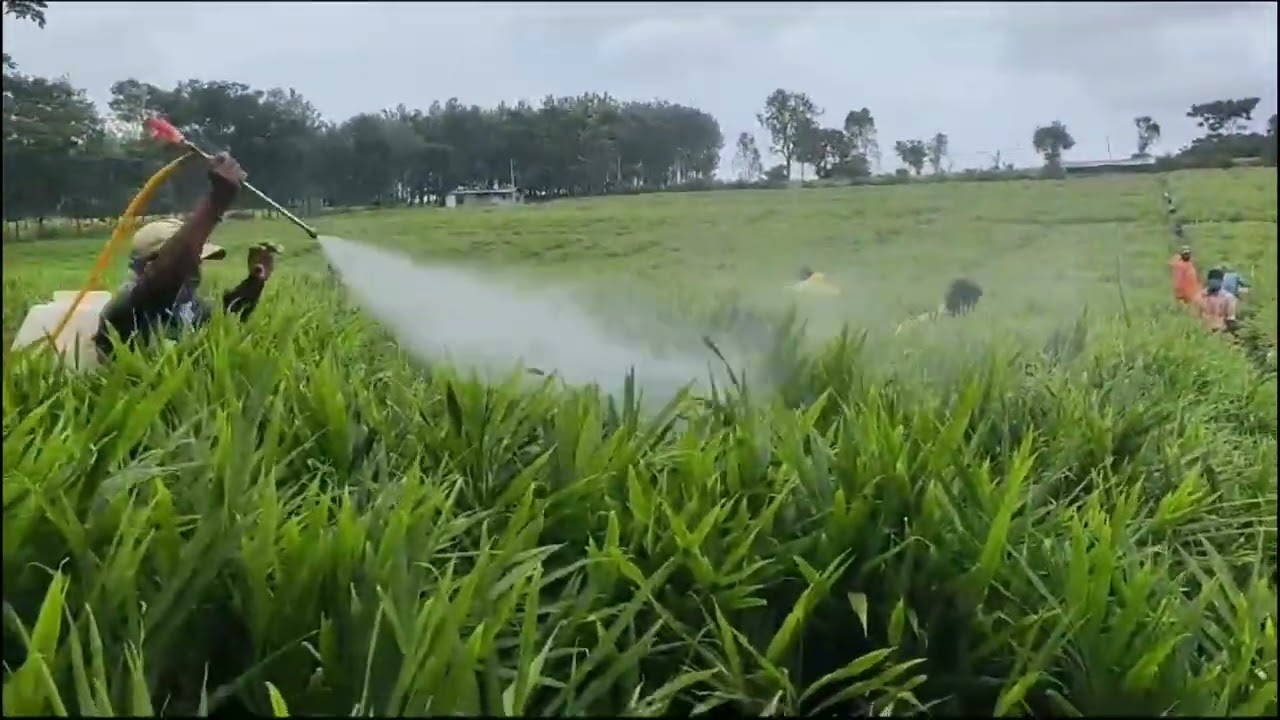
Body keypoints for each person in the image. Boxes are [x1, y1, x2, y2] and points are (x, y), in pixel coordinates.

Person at [94, 152, 279, 359]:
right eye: (189, 262)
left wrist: (254, 282)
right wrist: (216, 203)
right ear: (148, 267)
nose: (195, 271)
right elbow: (167, 274)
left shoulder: (187, 307)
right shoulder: (127, 309)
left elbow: (226, 316)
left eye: (197, 261)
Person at [1197, 268, 1239, 334]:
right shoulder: (1201, 296)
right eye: (1212, 281)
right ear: (1208, 281)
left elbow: (1231, 319)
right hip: (1202, 332)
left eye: (1217, 281)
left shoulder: (1228, 297)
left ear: (1221, 282)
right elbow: (1196, 316)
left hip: (1221, 331)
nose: (1214, 283)